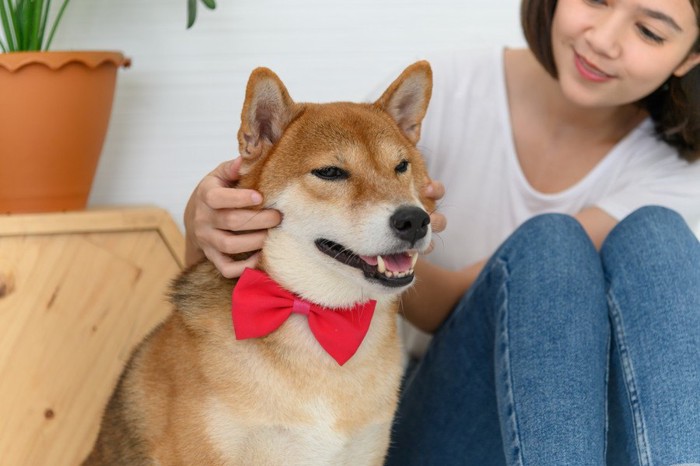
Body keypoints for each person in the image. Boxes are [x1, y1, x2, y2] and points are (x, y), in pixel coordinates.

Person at [183, 0, 700, 463]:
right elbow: (299, 191)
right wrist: (214, 223)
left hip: (617, 432)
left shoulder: (676, 173)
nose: (604, 39)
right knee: (554, 244)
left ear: (690, 56)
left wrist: (389, 251)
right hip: (450, 415)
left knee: (656, 236)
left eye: (650, 32)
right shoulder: (453, 86)